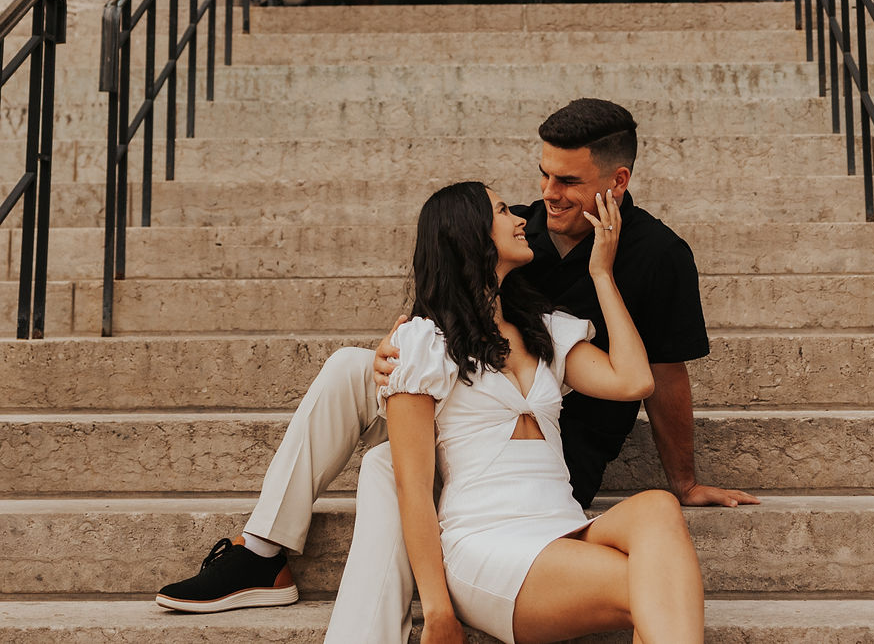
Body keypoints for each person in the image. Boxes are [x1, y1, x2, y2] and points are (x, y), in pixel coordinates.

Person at [154, 99, 756, 636]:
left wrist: (683, 479)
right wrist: (399, 343)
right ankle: (263, 550)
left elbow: (661, 373)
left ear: (616, 180)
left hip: (557, 453)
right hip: (472, 430)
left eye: (567, 181)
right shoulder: (523, 228)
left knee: (390, 465)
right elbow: (449, 299)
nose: (545, 196)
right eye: (543, 175)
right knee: (357, 381)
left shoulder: (658, 256)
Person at [346, 180, 703, 643]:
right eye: (502, 211)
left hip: (563, 525)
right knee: (657, 586)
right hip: (488, 543)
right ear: (469, 235)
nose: (521, 219)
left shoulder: (544, 332)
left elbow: (635, 381)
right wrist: (437, 611)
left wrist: (602, 275)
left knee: (658, 507)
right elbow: (412, 489)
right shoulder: (423, 345)